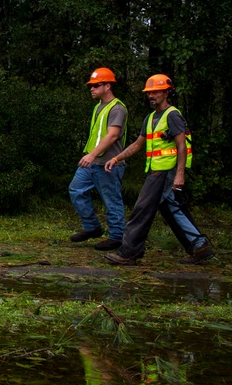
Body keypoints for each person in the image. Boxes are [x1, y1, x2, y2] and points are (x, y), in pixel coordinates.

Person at [103, 74, 213, 265]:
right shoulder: (151, 118)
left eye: (156, 92)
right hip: (156, 171)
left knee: (142, 210)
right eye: (149, 92)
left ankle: (129, 252)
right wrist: (116, 157)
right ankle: (199, 246)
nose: (151, 96)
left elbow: (181, 146)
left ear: (166, 92)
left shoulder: (173, 116)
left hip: (165, 172)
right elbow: (138, 145)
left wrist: (179, 174)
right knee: (172, 209)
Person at [68, 68, 128, 251]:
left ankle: (117, 237)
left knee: (112, 200)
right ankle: (92, 227)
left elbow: (112, 135)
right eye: (91, 86)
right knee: (76, 189)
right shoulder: (98, 107)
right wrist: (90, 156)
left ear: (107, 86)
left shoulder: (117, 108)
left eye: (96, 85)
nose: (91, 89)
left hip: (109, 163)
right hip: (92, 162)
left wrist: (92, 155)